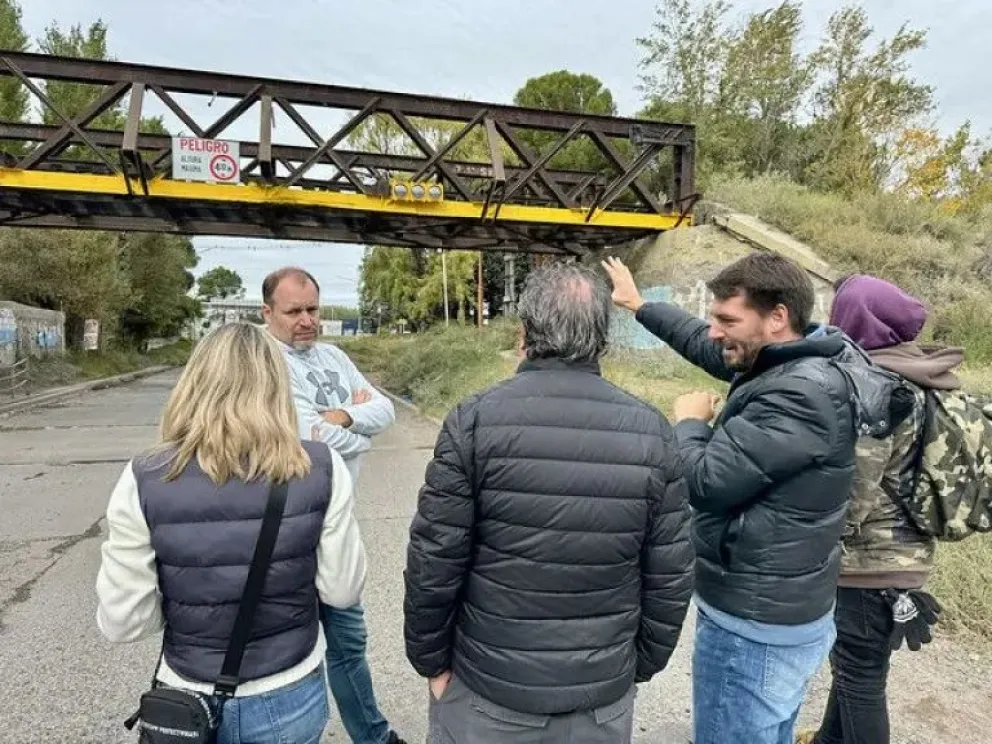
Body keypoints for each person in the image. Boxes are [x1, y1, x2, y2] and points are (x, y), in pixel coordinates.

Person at [602, 252, 904, 744]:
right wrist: (639, 305)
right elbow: (706, 345)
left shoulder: (798, 396)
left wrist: (690, 423)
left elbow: (704, 484)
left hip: (755, 625)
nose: (715, 332)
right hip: (779, 607)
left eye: (726, 319)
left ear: (777, 316)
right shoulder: (796, 357)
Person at [403, 262, 695, 743]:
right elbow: (670, 574)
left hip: (488, 694)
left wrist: (431, 661)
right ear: (602, 336)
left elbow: (435, 559)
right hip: (599, 702)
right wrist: (635, 667)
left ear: (525, 332)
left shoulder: (475, 421)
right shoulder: (652, 431)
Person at [95, 322, 367, 744]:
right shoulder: (321, 467)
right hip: (290, 690)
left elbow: (123, 622)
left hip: (187, 697)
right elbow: (342, 592)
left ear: (193, 383)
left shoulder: (144, 477)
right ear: (277, 385)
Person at [796, 274, 954, 744]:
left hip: (868, 563)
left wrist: (809, 541)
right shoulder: (923, 378)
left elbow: (854, 494)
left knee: (860, 679)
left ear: (854, 320)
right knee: (855, 664)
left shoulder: (874, 387)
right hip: (907, 556)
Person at [261, 266, 404, 744]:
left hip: (336, 527)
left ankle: (374, 737)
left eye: (313, 309)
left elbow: (385, 410)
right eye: (293, 311)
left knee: (347, 643)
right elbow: (309, 440)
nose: (306, 320)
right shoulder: (265, 364)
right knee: (281, 651)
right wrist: (357, 434)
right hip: (280, 532)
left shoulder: (335, 357)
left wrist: (342, 414)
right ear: (267, 313)